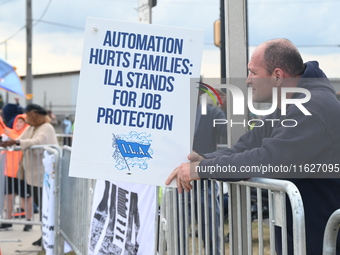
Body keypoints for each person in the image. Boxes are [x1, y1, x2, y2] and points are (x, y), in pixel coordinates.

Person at [165, 38, 340, 254]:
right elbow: (247, 145)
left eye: (253, 73)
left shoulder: (311, 109)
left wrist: (202, 169)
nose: (248, 81)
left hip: (324, 242)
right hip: (311, 238)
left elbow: (266, 159)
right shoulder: (294, 104)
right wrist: (202, 159)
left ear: (277, 76)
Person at [0, 103, 58, 246]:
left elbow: (36, 142)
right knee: (42, 205)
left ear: (34, 115)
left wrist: (17, 141)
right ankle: (44, 235)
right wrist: (9, 141)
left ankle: (49, 236)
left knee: (47, 207)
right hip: (33, 175)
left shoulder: (46, 128)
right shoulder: (33, 127)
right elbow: (21, 137)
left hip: (44, 175)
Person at [0, 113, 31, 231]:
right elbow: (2, 127)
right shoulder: (8, 133)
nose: (18, 124)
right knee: (8, 196)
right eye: (17, 121)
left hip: (23, 172)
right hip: (9, 171)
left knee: (26, 196)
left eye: (21, 122)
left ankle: (29, 220)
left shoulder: (25, 136)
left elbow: (16, 138)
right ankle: (8, 220)